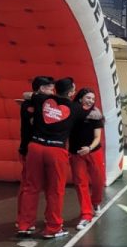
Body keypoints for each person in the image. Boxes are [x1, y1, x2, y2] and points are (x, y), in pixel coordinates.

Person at [17, 77, 81, 238]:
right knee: (55, 191)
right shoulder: (75, 108)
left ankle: (24, 225)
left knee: (31, 188)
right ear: (71, 92)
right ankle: (53, 228)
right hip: (56, 149)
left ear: (55, 90)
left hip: (35, 147)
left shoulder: (42, 99)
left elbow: (27, 95)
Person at [68, 88, 104, 228]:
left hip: (93, 152)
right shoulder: (71, 111)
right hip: (76, 154)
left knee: (98, 181)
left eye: (93, 99)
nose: (91, 100)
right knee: (80, 183)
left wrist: (89, 148)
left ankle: (95, 202)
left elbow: (97, 137)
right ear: (81, 97)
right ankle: (86, 214)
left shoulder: (95, 115)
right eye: (88, 97)